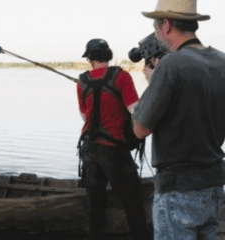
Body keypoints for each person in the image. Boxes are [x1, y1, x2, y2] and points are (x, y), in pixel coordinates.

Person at [133, 0, 225, 239]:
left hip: (178, 189)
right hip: (214, 184)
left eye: (155, 28)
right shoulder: (221, 61)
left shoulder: (170, 65)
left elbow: (140, 129)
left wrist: (153, 81)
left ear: (166, 25)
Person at [77, 38, 152, 240]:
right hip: (114, 148)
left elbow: (85, 116)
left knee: (95, 201)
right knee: (132, 199)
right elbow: (135, 110)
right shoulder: (121, 76)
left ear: (90, 59)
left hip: (89, 148)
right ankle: (141, 236)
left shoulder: (82, 81)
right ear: (108, 56)